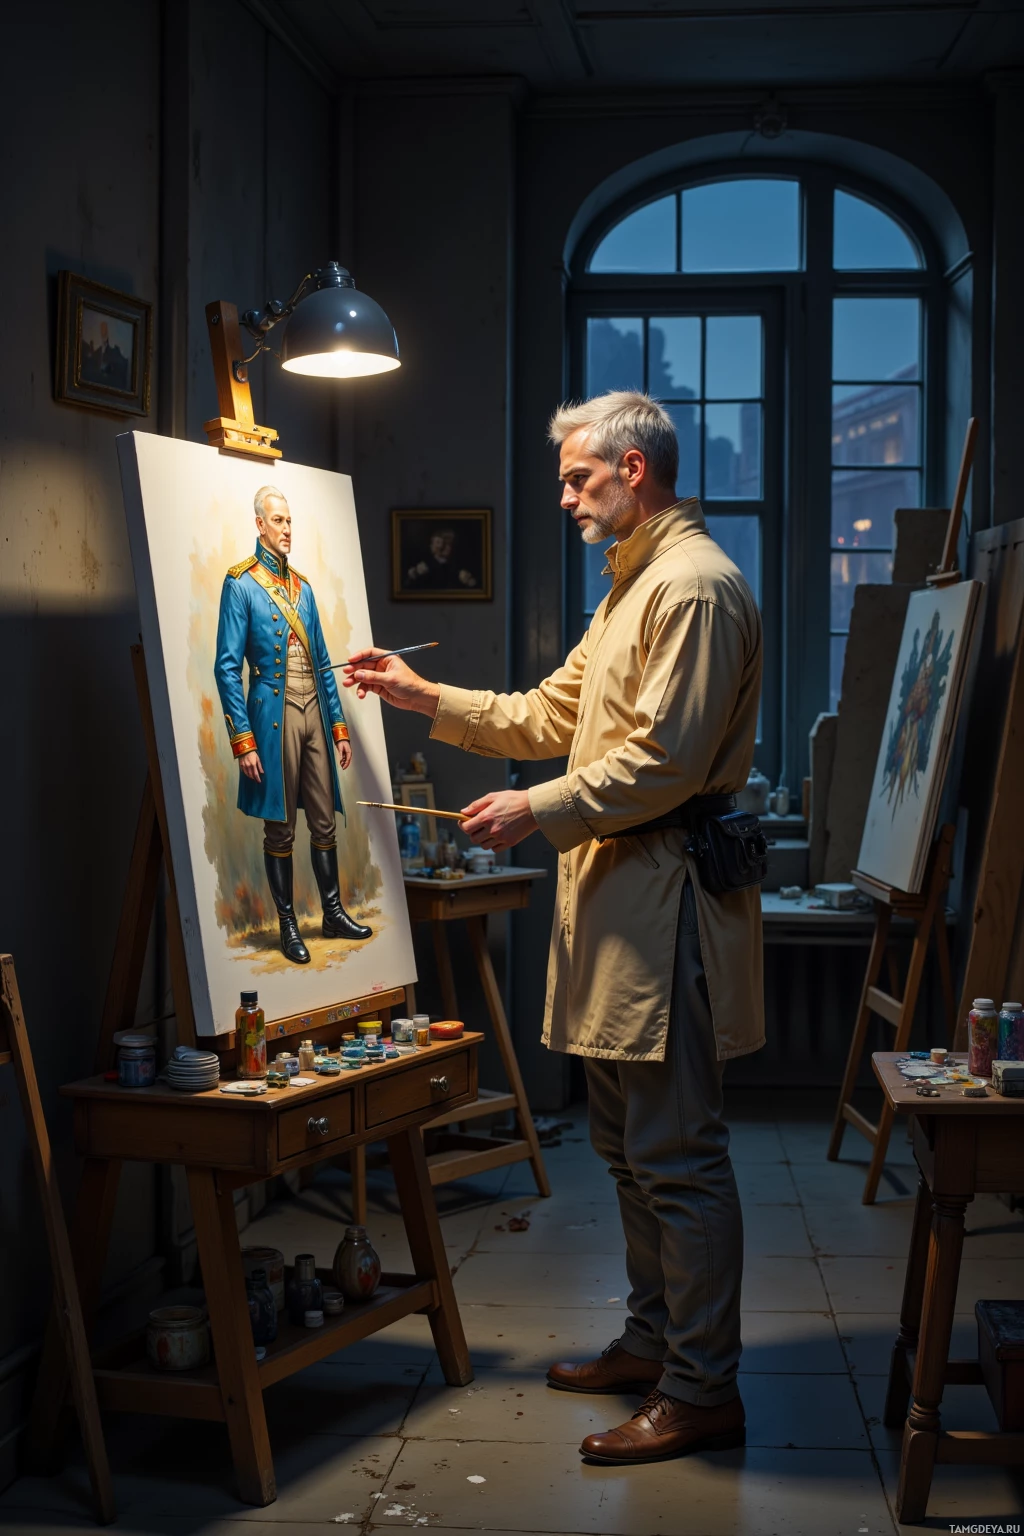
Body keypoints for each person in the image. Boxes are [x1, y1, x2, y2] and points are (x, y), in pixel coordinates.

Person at [343, 390, 763, 1465]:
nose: (568, 497)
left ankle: (702, 1389)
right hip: (618, 899)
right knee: (627, 1151)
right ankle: (652, 1343)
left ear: (632, 468)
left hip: (662, 902)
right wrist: (423, 694)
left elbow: (664, 760)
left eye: (579, 478)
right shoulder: (629, 588)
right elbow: (549, 714)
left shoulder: (695, 587)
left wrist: (537, 806)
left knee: (677, 1155)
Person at [215, 485, 372, 964]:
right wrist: (243, 740)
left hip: (314, 716)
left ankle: (331, 912)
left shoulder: (302, 587)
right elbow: (227, 666)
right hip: (272, 715)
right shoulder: (240, 583)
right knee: (280, 829)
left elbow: (322, 661)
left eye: (290, 521)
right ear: (260, 525)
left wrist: (339, 727)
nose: (287, 529)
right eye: (278, 521)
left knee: (324, 821)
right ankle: (287, 924)